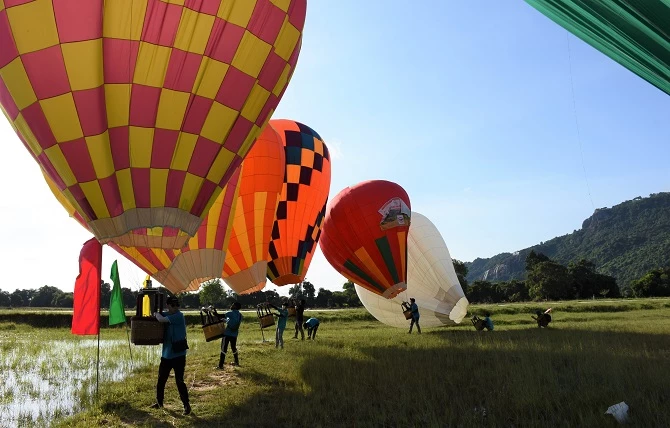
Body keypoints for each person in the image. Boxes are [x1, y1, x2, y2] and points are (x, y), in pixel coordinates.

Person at [152, 296, 191, 415]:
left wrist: (156, 314)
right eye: (173, 305)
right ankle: (159, 402)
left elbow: (160, 319)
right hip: (167, 355)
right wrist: (155, 313)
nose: (175, 307)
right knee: (161, 380)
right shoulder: (168, 314)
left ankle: (186, 406)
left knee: (179, 381)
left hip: (178, 355)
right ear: (168, 306)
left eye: (176, 305)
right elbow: (160, 315)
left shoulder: (179, 316)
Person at [218, 302, 242, 369]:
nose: (231, 305)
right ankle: (237, 362)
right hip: (234, 334)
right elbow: (232, 321)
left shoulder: (230, 313)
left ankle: (220, 365)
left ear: (235, 306)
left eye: (233, 305)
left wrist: (212, 311)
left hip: (227, 334)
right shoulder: (240, 315)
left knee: (223, 349)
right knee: (233, 348)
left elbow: (219, 315)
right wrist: (226, 320)